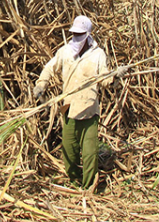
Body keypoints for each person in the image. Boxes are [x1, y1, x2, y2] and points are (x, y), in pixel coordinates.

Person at [33, 15, 124, 189]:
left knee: (90, 153)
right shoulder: (65, 51)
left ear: (88, 34)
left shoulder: (98, 54)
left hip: (89, 110)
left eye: (80, 34)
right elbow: (50, 68)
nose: (77, 37)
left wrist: (115, 76)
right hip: (69, 108)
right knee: (69, 151)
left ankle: (90, 187)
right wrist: (41, 84)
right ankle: (74, 182)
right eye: (74, 33)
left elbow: (104, 79)